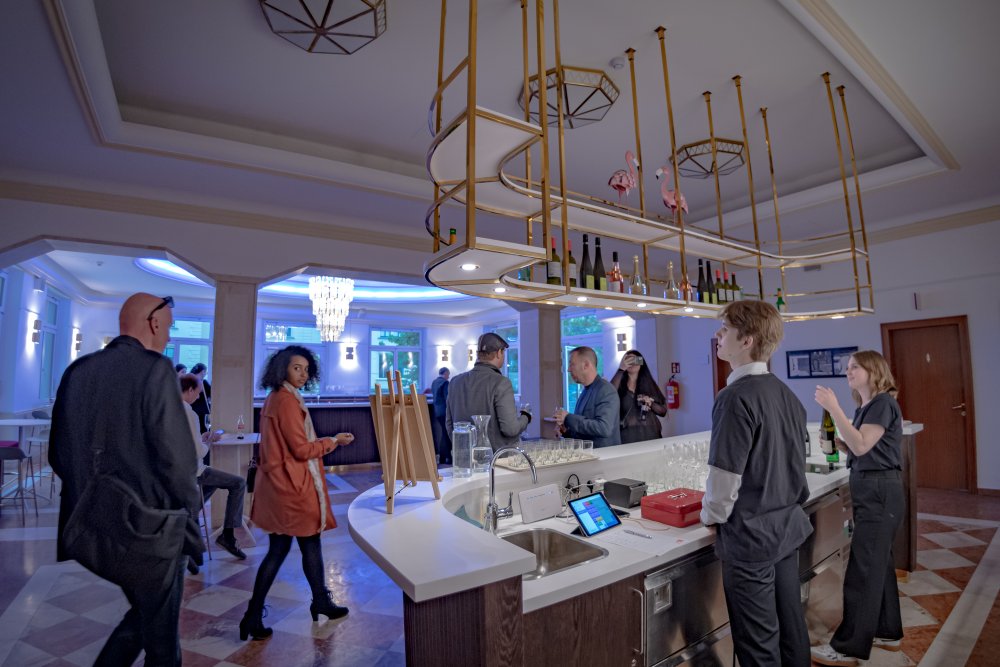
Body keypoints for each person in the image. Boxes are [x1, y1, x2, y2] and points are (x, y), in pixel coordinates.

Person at [49, 293, 202, 666]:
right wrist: (190, 516)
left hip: (91, 525)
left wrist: (95, 496)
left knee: (144, 619)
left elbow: (58, 454)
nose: (168, 336)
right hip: (150, 527)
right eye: (168, 328)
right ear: (153, 323)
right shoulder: (156, 368)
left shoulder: (78, 370)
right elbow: (177, 460)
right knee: (162, 643)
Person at [700, 300, 811, 666]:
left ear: (746, 340)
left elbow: (725, 478)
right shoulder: (785, 393)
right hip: (785, 529)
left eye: (725, 329)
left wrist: (710, 516)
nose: (718, 335)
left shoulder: (734, 397)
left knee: (758, 646)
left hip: (750, 539)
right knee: (791, 632)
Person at [240, 345, 355, 641]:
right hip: (292, 486)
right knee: (293, 547)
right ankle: (258, 613)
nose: (303, 374)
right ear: (283, 369)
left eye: (306, 369)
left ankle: (315, 601)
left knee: (296, 546)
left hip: (280, 484)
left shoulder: (276, 397)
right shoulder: (286, 401)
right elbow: (301, 450)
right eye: (296, 368)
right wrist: (333, 441)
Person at [811, 351, 905, 666]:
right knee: (879, 565)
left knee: (862, 570)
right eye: (847, 367)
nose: (848, 371)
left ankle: (848, 647)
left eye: (855, 366)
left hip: (879, 492)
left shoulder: (882, 403)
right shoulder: (867, 406)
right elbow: (862, 445)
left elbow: (863, 444)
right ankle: (887, 630)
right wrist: (843, 445)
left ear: (873, 370)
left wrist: (833, 408)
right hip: (875, 491)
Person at [179, 373, 247, 561]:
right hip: (194, 470)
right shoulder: (189, 413)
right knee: (238, 483)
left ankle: (188, 523)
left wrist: (201, 439)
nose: (199, 397)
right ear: (190, 390)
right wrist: (208, 442)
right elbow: (198, 452)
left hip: (179, 471)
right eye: (198, 393)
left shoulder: (171, 409)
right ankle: (228, 537)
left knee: (214, 484)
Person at [446, 333, 531, 451]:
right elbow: (510, 429)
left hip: (464, 457)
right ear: (499, 353)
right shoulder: (501, 382)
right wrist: (526, 417)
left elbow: (450, 425)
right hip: (497, 459)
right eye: (503, 352)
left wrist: (464, 450)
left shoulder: (455, 382)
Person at [554, 346, 621, 448]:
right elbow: (584, 431)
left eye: (572, 364)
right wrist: (566, 431)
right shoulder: (585, 391)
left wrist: (568, 418)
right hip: (588, 454)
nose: (568, 369)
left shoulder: (606, 390)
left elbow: (604, 428)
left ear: (586, 365)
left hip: (604, 456)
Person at [610, 349, 668, 444]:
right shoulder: (618, 385)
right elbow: (609, 393)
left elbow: (663, 412)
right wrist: (621, 369)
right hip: (627, 437)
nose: (632, 363)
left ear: (641, 363)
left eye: (635, 360)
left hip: (651, 435)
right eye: (629, 360)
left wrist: (651, 404)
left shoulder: (649, 384)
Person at [430, 367, 451, 463]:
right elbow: (447, 398)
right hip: (444, 411)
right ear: (445, 373)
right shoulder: (445, 383)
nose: (448, 376)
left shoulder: (434, 382)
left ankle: (442, 457)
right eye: (448, 374)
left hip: (436, 411)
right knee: (446, 434)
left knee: (443, 433)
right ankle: (448, 457)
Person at [189, 362, 211, 433]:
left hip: (193, 409)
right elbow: (211, 394)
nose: (205, 374)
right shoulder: (202, 382)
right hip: (202, 411)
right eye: (205, 372)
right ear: (203, 371)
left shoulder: (190, 380)